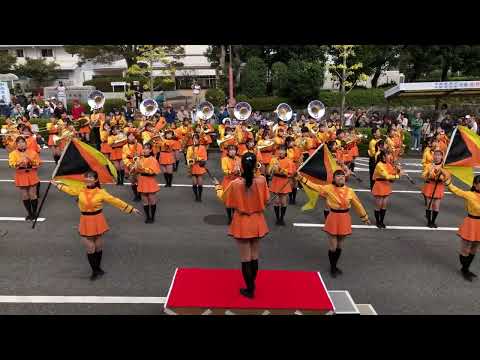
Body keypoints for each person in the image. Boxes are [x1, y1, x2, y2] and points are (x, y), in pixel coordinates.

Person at [51, 171, 140, 280]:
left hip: (97, 219)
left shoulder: (101, 192)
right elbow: (68, 190)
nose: (88, 179)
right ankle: (94, 271)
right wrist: (56, 184)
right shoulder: (80, 190)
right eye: (86, 177)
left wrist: (131, 209)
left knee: (98, 246)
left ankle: (98, 269)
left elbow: (115, 201)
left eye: (91, 177)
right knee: (90, 247)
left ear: (96, 180)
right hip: (85, 220)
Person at [214, 153, 270, 299]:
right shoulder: (262, 180)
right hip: (257, 220)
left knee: (245, 258)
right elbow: (266, 199)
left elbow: (224, 199)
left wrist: (217, 187)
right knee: (254, 256)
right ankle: (252, 285)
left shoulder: (236, 183)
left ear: (242, 166)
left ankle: (250, 289)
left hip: (242, 221)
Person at [296, 170, 370, 277]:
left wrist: (364, 217)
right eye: (338, 176)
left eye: (342, 176)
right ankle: (332, 267)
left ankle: (335, 265)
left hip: (344, 218)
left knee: (340, 245)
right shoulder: (328, 188)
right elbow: (314, 186)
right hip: (333, 217)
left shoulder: (350, 191)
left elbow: (357, 204)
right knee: (333, 246)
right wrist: (301, 178)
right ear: (334, 178)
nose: (341, 178)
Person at [441, 171, 480, 281]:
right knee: (465, 249)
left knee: (474, 249)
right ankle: (464, 269)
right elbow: (455, 190)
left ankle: (466, 268)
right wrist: (447, 181)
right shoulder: (469, 194)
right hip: (471, 223)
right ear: (475, 184)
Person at [8, 136, 41, 221]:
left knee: (32, 195)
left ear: (26, 143)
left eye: (23, 142)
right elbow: (11, 164)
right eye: (19, 143)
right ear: (16, 144)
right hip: (21, 175)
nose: (21, 144)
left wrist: (30, 160)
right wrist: (19, 163)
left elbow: (39, 163)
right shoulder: (13, 154)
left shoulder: (32, 152)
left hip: (31, 174)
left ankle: (34, 212)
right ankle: (29, 213)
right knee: (25, 196)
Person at [371, 150, 403, 228]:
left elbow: (393, 173)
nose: (390, 157)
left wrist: (398, 170)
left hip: (386, 185)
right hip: (379, 185)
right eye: (388, 155)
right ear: (383, 157)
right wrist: (398, 176)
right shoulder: (379, 165)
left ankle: (382, 221)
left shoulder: (388, 164)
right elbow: (387, 176)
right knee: (379, 205)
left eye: (390, 155)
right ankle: (378, 221)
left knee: (384, 205)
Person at [268, 145, 295, 226]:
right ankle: (277, 218)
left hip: (284, 182)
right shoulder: (274, 159)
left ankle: (282, 218)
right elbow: (269, 172)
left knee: (283, 202)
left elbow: (289, 173)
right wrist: (272, 168)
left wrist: (280, 168)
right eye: (279, 150)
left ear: (285, 151)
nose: (280, 152)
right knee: (276, 202)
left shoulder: (289, 161)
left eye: (282, 150)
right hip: (275, 181)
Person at [136, 143, 161, 224]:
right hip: (142, 180)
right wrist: (134, 167)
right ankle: (147, 216)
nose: (145, 150)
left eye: (147, 148)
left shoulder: (153, 159)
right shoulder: (140, 159)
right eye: (144, 148)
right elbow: (136, 170)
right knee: (145, 201)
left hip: (150, 181)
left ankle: (152, 217)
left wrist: (142, 169)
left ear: (150, 150)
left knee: (152, 200)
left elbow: (153, 172)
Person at [422, 150, 446, 228]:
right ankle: (429, 221)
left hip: (439, 186)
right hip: (430, 185)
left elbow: (447, 177)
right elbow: (423, 175)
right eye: (435, 155)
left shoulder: (444, 166)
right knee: (429, 205)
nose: (437, 157)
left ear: (442, 156)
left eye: (439, 155)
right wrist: (429, 173)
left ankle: (433, 221)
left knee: (436, 205)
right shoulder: (429, 165)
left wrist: (441, 177)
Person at [221, 144, 242, 224]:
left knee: (236, 200)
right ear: (228, 151)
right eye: (230, 150)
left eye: (234, 150)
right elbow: (224, 171)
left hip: (237, 181)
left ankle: (234, 216)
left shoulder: (239, 159)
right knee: (228, 201)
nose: (232, 151)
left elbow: (241, 169)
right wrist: (233, 171)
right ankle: (229, 217)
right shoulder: (224, 159)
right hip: (228, 182)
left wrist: (240, 171)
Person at [186, 133, 208, 202]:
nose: (195, 140)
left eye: (196, 139)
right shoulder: (190, 148)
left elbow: (204, 158)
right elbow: (187, 157)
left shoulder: (202, 147)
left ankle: (200, 196)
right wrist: (190, 161)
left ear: (199, 140)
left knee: (200, 183)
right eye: (193, 139)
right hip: (192, 166)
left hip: (199, 166)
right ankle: (196, 196)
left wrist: (197, 158)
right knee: (194, 183)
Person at [122, 132, 143, 202]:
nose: (131, 137)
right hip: (129, 166)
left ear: (135, 137)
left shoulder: (139, 145)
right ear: (127, 137)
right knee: (132, 181)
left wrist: (137, 162)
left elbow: (142, 155)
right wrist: (129, 165)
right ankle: (135, 195)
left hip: (138, 165)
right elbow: (124, 157)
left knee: (140, 181)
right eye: (129, 136)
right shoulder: (125, 147)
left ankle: (139, 195)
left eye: (132, 136)